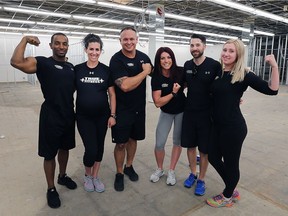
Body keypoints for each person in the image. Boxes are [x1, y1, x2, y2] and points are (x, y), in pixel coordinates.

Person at [206, 39, 279, 208]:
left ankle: (227, 196)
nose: (226, 53)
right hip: (217, 125)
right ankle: (231, 188)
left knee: (231, 164)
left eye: (231, 51)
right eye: (225, 50)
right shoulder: (219, 71)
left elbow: (272, 90)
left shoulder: (244, 74)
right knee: (213, 157)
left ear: (238, 54)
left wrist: (274, 66)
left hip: (233, 128)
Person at [10, 33, 77, 208]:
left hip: (69, 114)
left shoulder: (71, 67)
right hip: (51, 116)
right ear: (51, 45)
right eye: (57, 43)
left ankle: (62, 176)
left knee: (65, 148)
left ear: (67, 46)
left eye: (64, 44)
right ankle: (51, 188)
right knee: (49, 154)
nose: (61, 46)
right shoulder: (43, 63)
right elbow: (16, 62)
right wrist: (25, 39)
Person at [109, 26, 152, 191]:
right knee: (121, 143)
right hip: (122, 110)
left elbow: (160, 73)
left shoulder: (143, 57)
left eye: (131, 39)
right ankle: (119, 173)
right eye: (125, 39)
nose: (129, 42)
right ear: (120, 41)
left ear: (137, 40)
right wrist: (144, 73)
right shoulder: (116, 60)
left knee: (133, 139)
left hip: (139, 109)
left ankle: (129, 166)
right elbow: (125, 86)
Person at [181, 34, 222, 196]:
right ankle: (193, 173)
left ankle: (202, 179)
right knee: (190, 147)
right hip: (189, 113)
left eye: (197, 45)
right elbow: (182, 83)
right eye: (192, 45)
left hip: (206, 115)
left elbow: (223, 86)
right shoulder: (187, 65)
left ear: (204, 46)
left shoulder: (214, 65)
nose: (194, 48)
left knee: (204, 151)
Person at [74, 34, 116, 193]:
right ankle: (87, 175)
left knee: (99, 148)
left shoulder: (106, 71)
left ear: (100, 51)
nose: (94, 52)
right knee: (90, 149)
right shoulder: (78, 70)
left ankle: (95, 176)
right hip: (84, 117)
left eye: (97, 49)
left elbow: (112, 94)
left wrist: (113, 115)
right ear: (86, 50)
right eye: (91, 49)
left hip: (102, 117)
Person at [150, 47, 186, 186]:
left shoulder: (181, 72)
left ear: (173, 58)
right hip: (166, 112)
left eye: (169, 57)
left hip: (182, 111)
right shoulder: (157, 77)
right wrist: (173, 93)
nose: (166, 61)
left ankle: (172, 170)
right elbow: (158, 102)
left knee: (177, 142)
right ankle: (160, 169)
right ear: (159, 61)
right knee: (159, 143)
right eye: (163, 58)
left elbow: (198, 83)